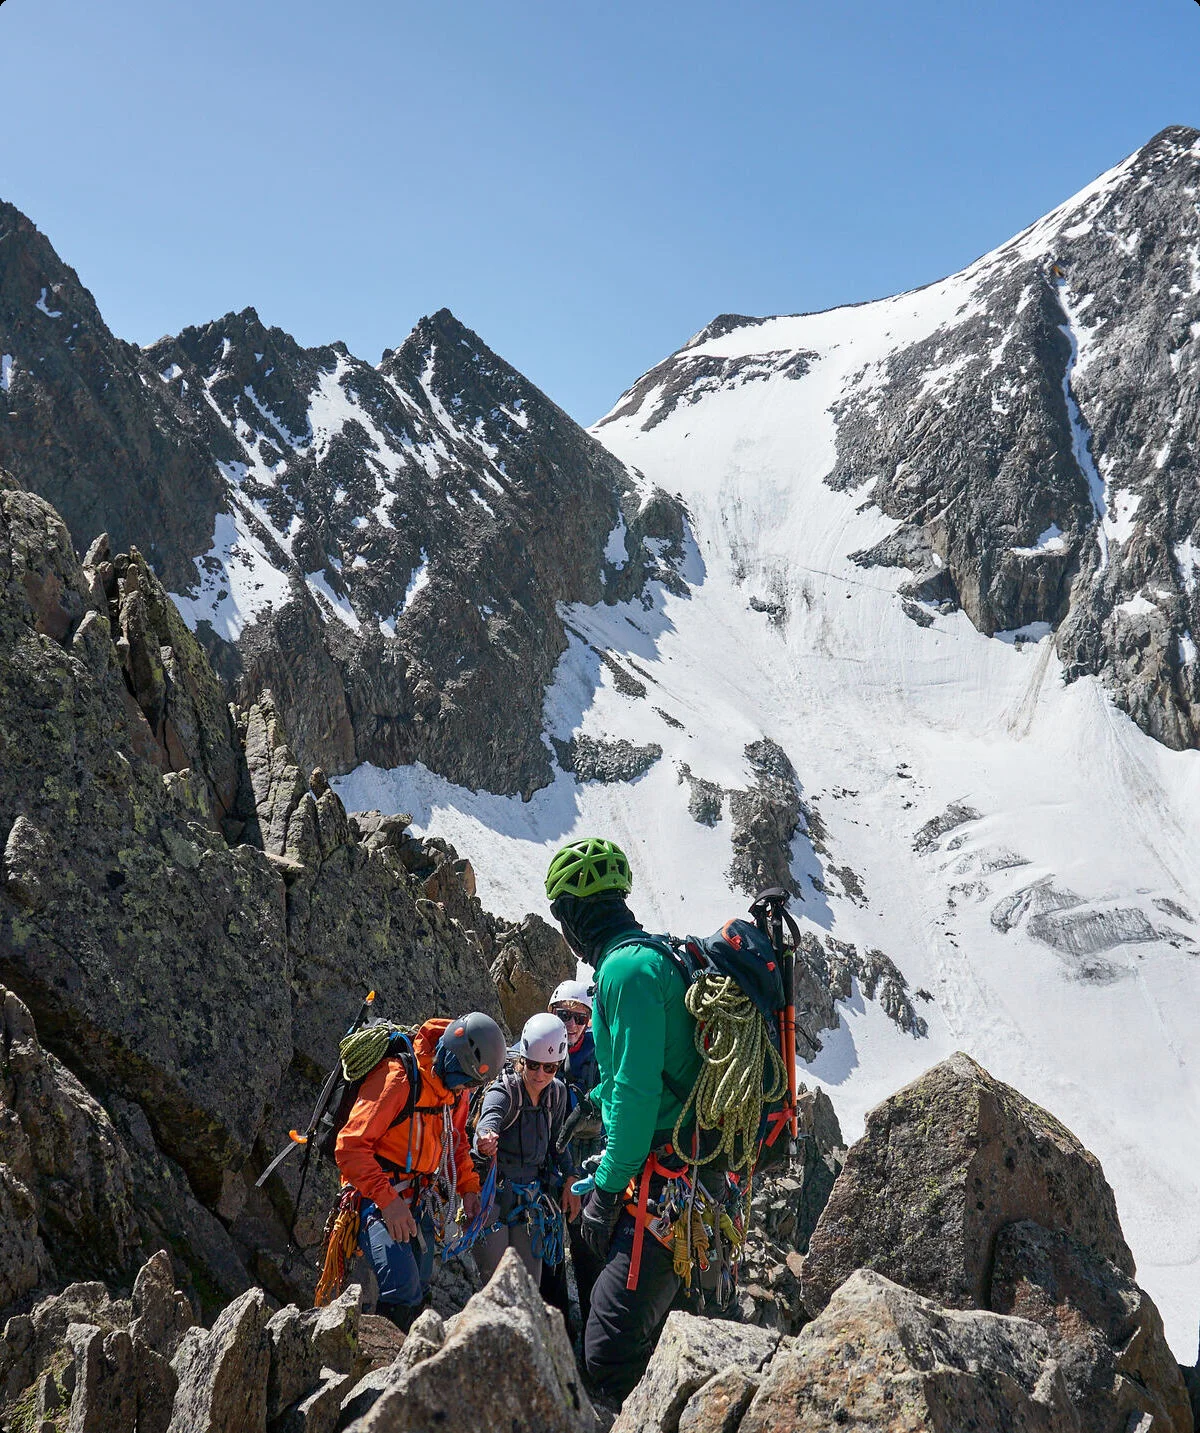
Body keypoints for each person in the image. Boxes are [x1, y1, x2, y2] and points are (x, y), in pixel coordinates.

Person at [545, 837, 702, 1401]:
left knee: (608, 1355)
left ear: (575, 916)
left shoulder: (626, 971)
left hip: (666, 1179)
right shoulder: (643, 958)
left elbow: (636, 1099)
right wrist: (592, 1107)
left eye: (562, 916)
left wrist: (607, 1192)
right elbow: (625, 1075)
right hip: (678, 1172)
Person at [335, 1011, 507, 1330]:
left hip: (417, 1199)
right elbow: (350, 1147)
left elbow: (453, 1140)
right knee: (402, 1290)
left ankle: (403, 1362)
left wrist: (469, 1188)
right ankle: (381, 1370)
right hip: (374, 1197)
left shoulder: (454, 1093)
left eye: (471, 1084)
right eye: (464, 1080)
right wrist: (388, 1202)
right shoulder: (398, 1078)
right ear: (450, 1058)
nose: (463, 1089)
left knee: (420, 1290)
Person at [473, 1012, 582, 1285]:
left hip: (529, 1200)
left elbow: (559, 1143)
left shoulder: (555, 1094)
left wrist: (571, 1178)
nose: (540, 1075)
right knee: (496, 1285)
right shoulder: (504, 1091)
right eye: (532, 1065)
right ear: (521, 1059)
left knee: (528, 1285)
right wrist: (484, 1139)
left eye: (550, 1068)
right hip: (494, 1198)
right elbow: (488, 1122)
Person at [539, 979, 605, 1334]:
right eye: (564, 1015)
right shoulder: (533, 1049)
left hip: (586, 1169)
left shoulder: (602, 1053)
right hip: (547, 1167)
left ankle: (593, 1333)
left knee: (587, 1249)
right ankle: (557, 1328)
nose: (572, 1025)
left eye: (580, 1018)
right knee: (550, 1251)